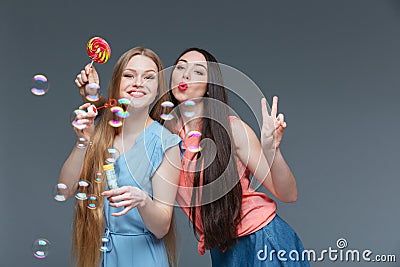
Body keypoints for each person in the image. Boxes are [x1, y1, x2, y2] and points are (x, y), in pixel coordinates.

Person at [167, 47, 310, 266]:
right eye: (180, 67)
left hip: (262, 239)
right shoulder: (164, 136)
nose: (185, 75)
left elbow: (288, 194)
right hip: (222, 247)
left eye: (198, 71)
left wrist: (273, 151)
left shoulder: (231, 130)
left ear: (208, 87)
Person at [58, 47, 181, 267]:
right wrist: (82, 142)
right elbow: (65, 189)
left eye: (148, 77)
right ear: (116, 83)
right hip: (101, 256)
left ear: (157, 90)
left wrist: (143, 201)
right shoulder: (100, 132)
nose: (138, 82)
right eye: (129, 75)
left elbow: (162, 227)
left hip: (143, 259)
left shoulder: (165, 143)